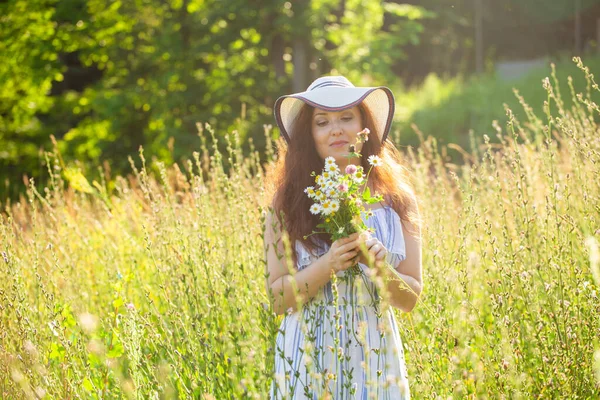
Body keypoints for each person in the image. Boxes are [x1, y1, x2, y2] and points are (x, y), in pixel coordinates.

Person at [264, 76, 423, 399]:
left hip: (376, 359)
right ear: (310, 135)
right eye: (322, 122)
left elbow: (410, 299)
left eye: (346, 118)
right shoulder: (287, 203)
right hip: (306, 356)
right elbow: (278, 299)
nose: (335, 129)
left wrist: (378, 266)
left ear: (364, 125)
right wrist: (329, 264)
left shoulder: (397, 200)